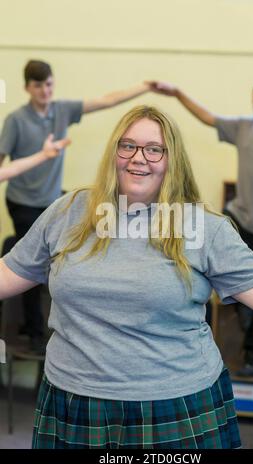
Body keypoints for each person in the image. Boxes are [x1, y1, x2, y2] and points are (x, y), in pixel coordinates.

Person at [0, 105, 253, 449]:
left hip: (174, 404)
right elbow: (10, 271)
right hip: (73, 401)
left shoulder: (203, 227)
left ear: (172, 159)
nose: (138, 158)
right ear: (115, 152)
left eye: (154, 149)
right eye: (127, 146)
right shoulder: (68, 211)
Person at [149, 79, 253, 377]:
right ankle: (193, 342)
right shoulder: (244, 127)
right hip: (238, 217)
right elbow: (208, 118)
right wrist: (178, 92)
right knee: (201, 266)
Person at [0, 59, 151, 354]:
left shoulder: (61, 110)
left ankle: (59, 326)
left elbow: (106, 100)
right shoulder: (16, 120)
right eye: (38, 85)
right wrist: (42, 156)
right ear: (26, 88)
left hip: (51, 199)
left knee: (61, 259)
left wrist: (144, 87)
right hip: (23, 202)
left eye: (49, 84)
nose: (45, 90)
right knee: (31, 266)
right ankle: (34, 331)